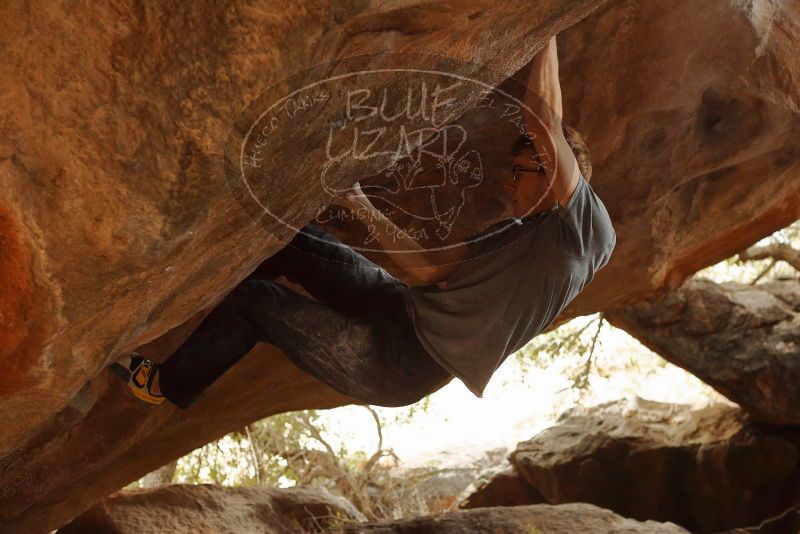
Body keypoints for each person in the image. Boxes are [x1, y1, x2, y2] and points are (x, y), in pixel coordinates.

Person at [114, 35, 616, 408]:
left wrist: (548, 25)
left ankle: (164, 385)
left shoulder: (587, 235)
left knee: (256, 304)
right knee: (295, 239)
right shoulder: (515, 236)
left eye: (519, 172)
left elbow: (543, 123)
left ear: (553, 172)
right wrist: (358, 205)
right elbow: (428, 273)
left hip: (401, 364)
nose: (509, 184)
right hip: (398, 307)